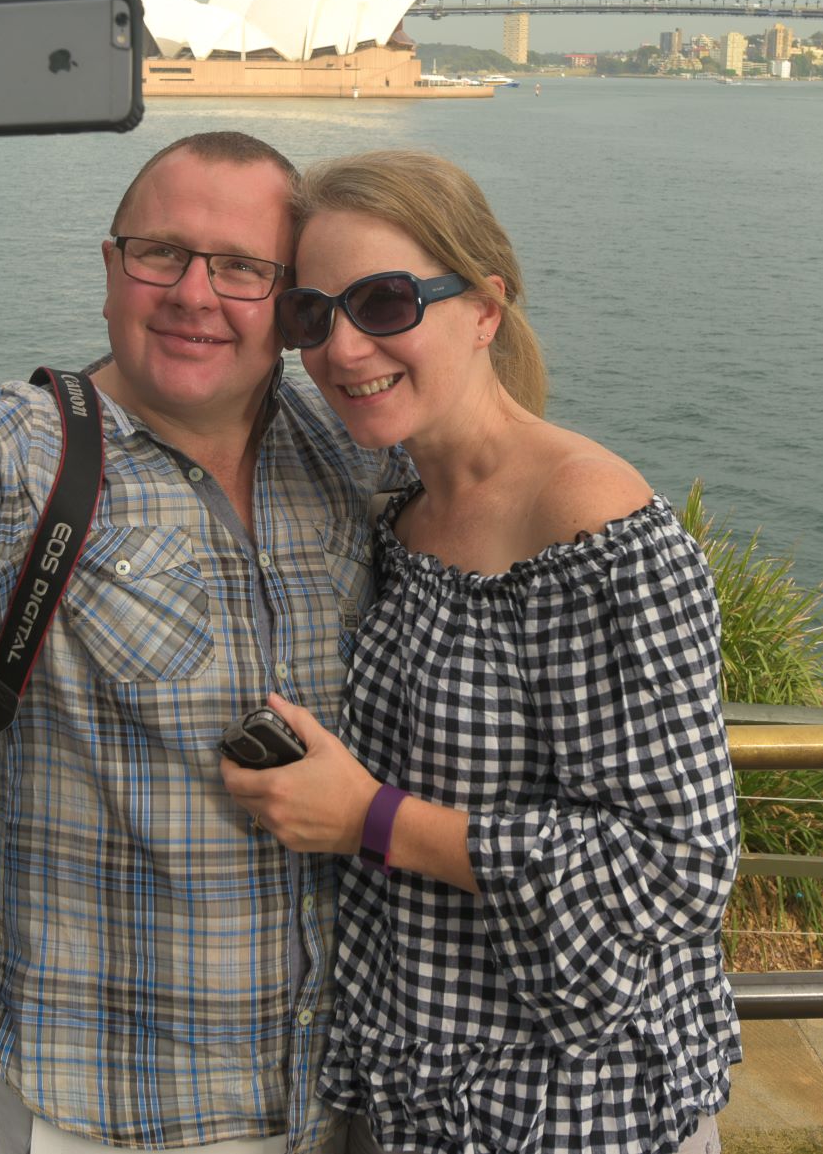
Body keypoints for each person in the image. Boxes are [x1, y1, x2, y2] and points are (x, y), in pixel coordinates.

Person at [0, 0, 400, 1154]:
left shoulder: (354, 457)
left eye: (242, 267)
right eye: (162, 254)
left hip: (344, 1102)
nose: (197, 294)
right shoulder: (37, 452)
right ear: (110, 264)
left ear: (291, 304)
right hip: (108, 1112)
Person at [220, 149, 740, 1154]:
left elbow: (680, 864)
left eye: (384, 301)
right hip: (418, 1093)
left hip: (574, 1111)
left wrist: (370, 818)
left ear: (485, 308)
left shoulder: (591, 524)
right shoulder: (401, 510)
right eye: (312, 316)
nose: (343, 347)